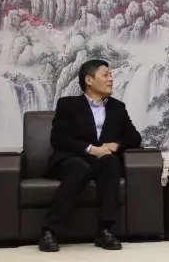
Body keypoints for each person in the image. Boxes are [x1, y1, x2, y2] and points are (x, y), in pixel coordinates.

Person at [38, 59, 142, 252]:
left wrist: (116, 145)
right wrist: (91, 149)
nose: (111, 79)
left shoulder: (117, 107)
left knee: (111, 163)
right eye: (105, 75)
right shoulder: (68, 104)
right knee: (80, 167)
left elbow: (134, 137)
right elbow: (58, 138)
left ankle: (105, 230)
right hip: (71, 159)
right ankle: (50, 231)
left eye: (111, 75)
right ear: (89, 80)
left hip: (101, 161)